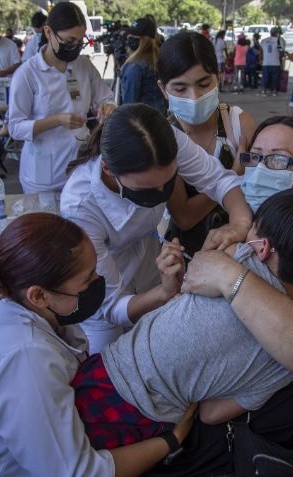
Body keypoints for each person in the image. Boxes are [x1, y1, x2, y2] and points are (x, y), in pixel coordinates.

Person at [148, 117, 293, 475]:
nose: (261, 171)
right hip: (207, 396)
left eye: (278, 161)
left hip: (252, 434)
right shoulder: (251, 224)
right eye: (254, 158)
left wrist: (228, 274)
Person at [72, 188, 293, 448]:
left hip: (107, 367)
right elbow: (211, 414)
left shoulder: (236, 257)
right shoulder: (289, 362)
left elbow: (194, 280)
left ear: (261, 247)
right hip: (143, 420)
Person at [0, 213, 197, 476]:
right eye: (87, 279)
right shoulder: (26, 360)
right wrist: (172, 440)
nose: (97, 284)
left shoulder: (45, 314)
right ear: (39, 295)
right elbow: (76, 472)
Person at [60, 103, 253, 354]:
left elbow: (218, 179)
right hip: (101, 294)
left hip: (150, 265)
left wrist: (239, 223)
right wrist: (164, 292)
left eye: (169, 182)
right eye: (147, 189)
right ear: (108, 169)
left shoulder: (164, 141)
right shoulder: (80, 208)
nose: (162, 194)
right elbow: (113, 306)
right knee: (108, 363)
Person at [158, 31, 257, 254]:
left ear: (218, 77)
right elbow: (184, 217)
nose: (194, 97)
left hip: (241, 249)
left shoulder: (238, 123)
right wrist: (234, 172)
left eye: (203, 84)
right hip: (186, 251)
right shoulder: (164, 139)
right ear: (163, 89)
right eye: (180, 88)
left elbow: (258, 192)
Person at [8, 2, 114, 193]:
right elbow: (15, 127)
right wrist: (56, 120)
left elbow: (106, 97)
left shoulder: (83, 65)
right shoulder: (27, 74)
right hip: (43, 175)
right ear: (48, 32)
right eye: (69, 41)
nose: (75, 47)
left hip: (82, 165)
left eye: (80, 41)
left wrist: (108, 107)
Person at [119, 18, 163, 114]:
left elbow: (129, 105)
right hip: (159, 118)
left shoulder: (135, 66)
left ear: (144, 40)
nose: (129, 38)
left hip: (142, 121)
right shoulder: (158, 59)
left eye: (134, 35)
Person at [259, 28, 281, 97]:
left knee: (265, 77)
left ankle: (263, 91)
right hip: (275, 62)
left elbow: (261, 51)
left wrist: (261, 59)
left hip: (266, 62)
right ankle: (274, 91)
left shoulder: (264, 41)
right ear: (276, 33)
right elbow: (281, 51)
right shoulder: (279, 41)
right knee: (275, 77)